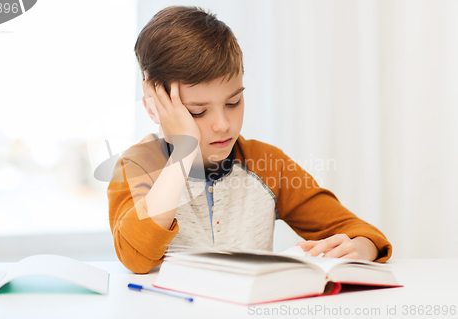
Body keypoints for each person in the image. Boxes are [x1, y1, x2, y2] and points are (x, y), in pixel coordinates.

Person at [108, 5, 392, 274]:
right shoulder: (136, 166)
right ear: (153, 107)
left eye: (233, 102)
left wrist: (359, 249)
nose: (223, 125)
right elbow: (136, 257)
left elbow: (365, 234)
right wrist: (183, 150)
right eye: (198, 112)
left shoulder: (267, 164)